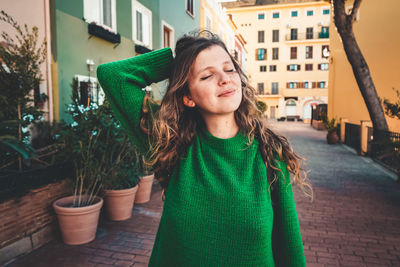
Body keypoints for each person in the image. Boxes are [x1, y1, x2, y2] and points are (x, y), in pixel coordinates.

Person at [97, 31, 312, 267]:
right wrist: (176, 60)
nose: (224, 79)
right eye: (207, 75)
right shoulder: (172, 143)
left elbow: (289, 246)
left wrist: (196, 64)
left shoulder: (268, 153)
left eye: (229, 69)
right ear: (188, 97)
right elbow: (113, 76)